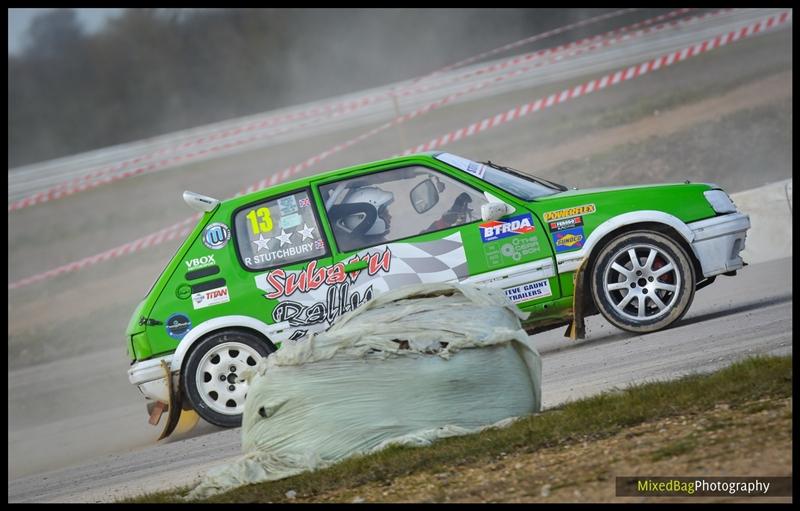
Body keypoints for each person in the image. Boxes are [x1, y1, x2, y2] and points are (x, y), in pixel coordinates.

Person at [327, 185, 394, 252]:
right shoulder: (378, 250)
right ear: (362, 217)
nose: (389, 216)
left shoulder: (376, 246)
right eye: (384, 213)